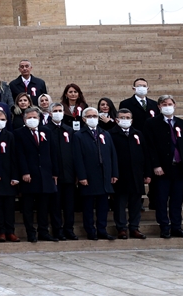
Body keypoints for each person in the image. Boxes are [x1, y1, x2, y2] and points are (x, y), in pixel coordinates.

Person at [147, 95, 183, 239]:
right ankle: (164, 227)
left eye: (169, 104)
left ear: (175, 105)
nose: (167, 106)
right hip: (162, 169)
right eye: (164, 104)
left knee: (177, 200)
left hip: (178, 168)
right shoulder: (152, 123)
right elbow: (150, 146)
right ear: (159, 107)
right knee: (161, 199)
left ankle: (176, 227)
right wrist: (155, 165)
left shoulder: (182, 124)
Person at [74, 107, 118, 240]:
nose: (92, 118)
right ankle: (90, 230)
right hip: (89, 176)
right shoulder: (78, 135)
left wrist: (114, 173)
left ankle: (102, 229)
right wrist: (82, 176)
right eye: (89, 116)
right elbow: (77, 158)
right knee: (88, 206)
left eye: (94, 116)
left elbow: (112, 154)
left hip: (104, 176)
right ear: (83, 119)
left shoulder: (105, 133)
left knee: (103, 206)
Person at [14, 108, 58, 243]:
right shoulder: (19, 133)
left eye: (35, 117)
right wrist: (25, 172)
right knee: (28, 207)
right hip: (29, 175)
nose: (32, 120)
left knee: (43, 206)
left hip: (45, 174)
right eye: (29, 118)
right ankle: (30, 233)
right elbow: (19, 155)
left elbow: (53, 152)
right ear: (24, 119)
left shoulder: (46, 131)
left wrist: (55, 172)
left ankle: (43, 231)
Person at [110, 108, 150, 240]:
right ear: (116, 120)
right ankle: (121, 228)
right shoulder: (111, 134)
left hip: (136, 175)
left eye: (127, 118)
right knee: (120, 203)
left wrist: (147, 173)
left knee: (136, 203)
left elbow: (145, 154)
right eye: (122, 118)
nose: (125, 120)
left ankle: (134, 227)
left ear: (132, 120)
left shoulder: (137, 134)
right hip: (120, 175)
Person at [48, 103, 79, 241]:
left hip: (69, 174)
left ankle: (69, 229)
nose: (58, 113)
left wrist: (77, 173)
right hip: (54, 175)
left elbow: (74, 153)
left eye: (60, 110)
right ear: (50, 113)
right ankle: (57, 230)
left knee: (69, 205)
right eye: (55, 111)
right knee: (55, 205)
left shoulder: (69, 130)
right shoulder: (46, 130)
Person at [0, 112, 19, 242]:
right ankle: (0, 231)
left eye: (2, 119)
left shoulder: (9, 136)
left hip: (8, 176)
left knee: (9, 206)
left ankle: (10, 231)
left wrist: (15, 176)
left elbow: (14, 157)